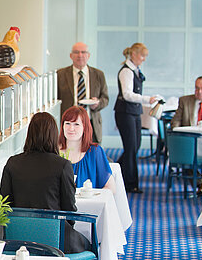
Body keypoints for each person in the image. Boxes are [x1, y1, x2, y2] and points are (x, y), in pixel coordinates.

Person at [0, 112, 89, 256]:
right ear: (53, 135)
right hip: (53, 237)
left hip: (18, 237)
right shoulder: (62, 165)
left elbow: (3, 203)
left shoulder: (12, 163)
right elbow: (69, 209)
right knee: (88, 244)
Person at [114, 42, 159, 194]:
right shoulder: (126, 71)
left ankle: (114, 172)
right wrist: (147, 99)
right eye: (142, 55)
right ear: (133, 55)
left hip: (133, 112)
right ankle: (130, 183)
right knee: (131, 148)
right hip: (125, 112)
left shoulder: (134, 70)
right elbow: (127, 94)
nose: (144, 59)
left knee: (135, 146)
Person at [56, 42, 110, 143]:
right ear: (71, 56)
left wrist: (97, 103)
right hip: (69, 125)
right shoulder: (60, 75)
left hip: (91, 122)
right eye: (76, 52)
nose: (80, 55)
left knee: (91, 154)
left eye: (83, 52)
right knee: (70, 154)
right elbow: (54, 100)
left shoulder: (98, 75)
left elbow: (105, 99)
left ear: (88, 55)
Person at [59, 106, 117, 193]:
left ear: (84, 127)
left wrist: (91, 196)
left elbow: (111, 188)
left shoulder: (94, 152)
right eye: (67, 123)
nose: (71, 128)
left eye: (76, 124)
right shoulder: (54, 151)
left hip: (89, 205)